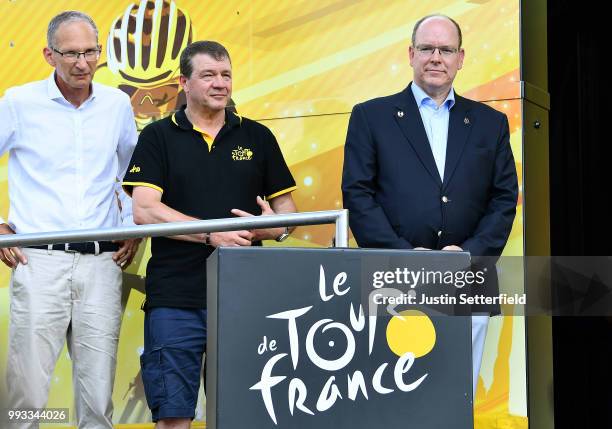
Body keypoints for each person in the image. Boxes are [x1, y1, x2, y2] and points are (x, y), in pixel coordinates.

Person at [122, 40, 297, 427]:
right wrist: (210, 236)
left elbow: (287, 215)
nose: (220, 84)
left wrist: (268, 227)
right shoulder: (157, 137)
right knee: (174, 415)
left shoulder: (257, 137)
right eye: (208, 75)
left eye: (226, 75)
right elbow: (144, 209)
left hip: (244, 299)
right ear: (184, 82)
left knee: (244, 414)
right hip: (176, 299)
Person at [341, 14, 518, 396]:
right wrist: (405, 256)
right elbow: (358, 195)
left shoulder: (490, 123)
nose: (436, 57)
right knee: (397, 398)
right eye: (427, 48)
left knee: (458, 397)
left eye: (446, 49)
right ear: (411, 54)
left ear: (461, 57)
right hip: (394, 278)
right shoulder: (370, 117)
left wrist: (467, 256)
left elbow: (504, 199)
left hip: (467, 278)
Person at [0, 11, 141, 429]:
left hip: (102, 263)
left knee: (98, 396)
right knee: (25, 394)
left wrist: (134, 228)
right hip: (37, 260)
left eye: (91, 52)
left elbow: (135, 174)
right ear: (48, 55)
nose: (82, 63)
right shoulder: (19, 102)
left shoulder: (116, 104)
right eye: (72, 53)